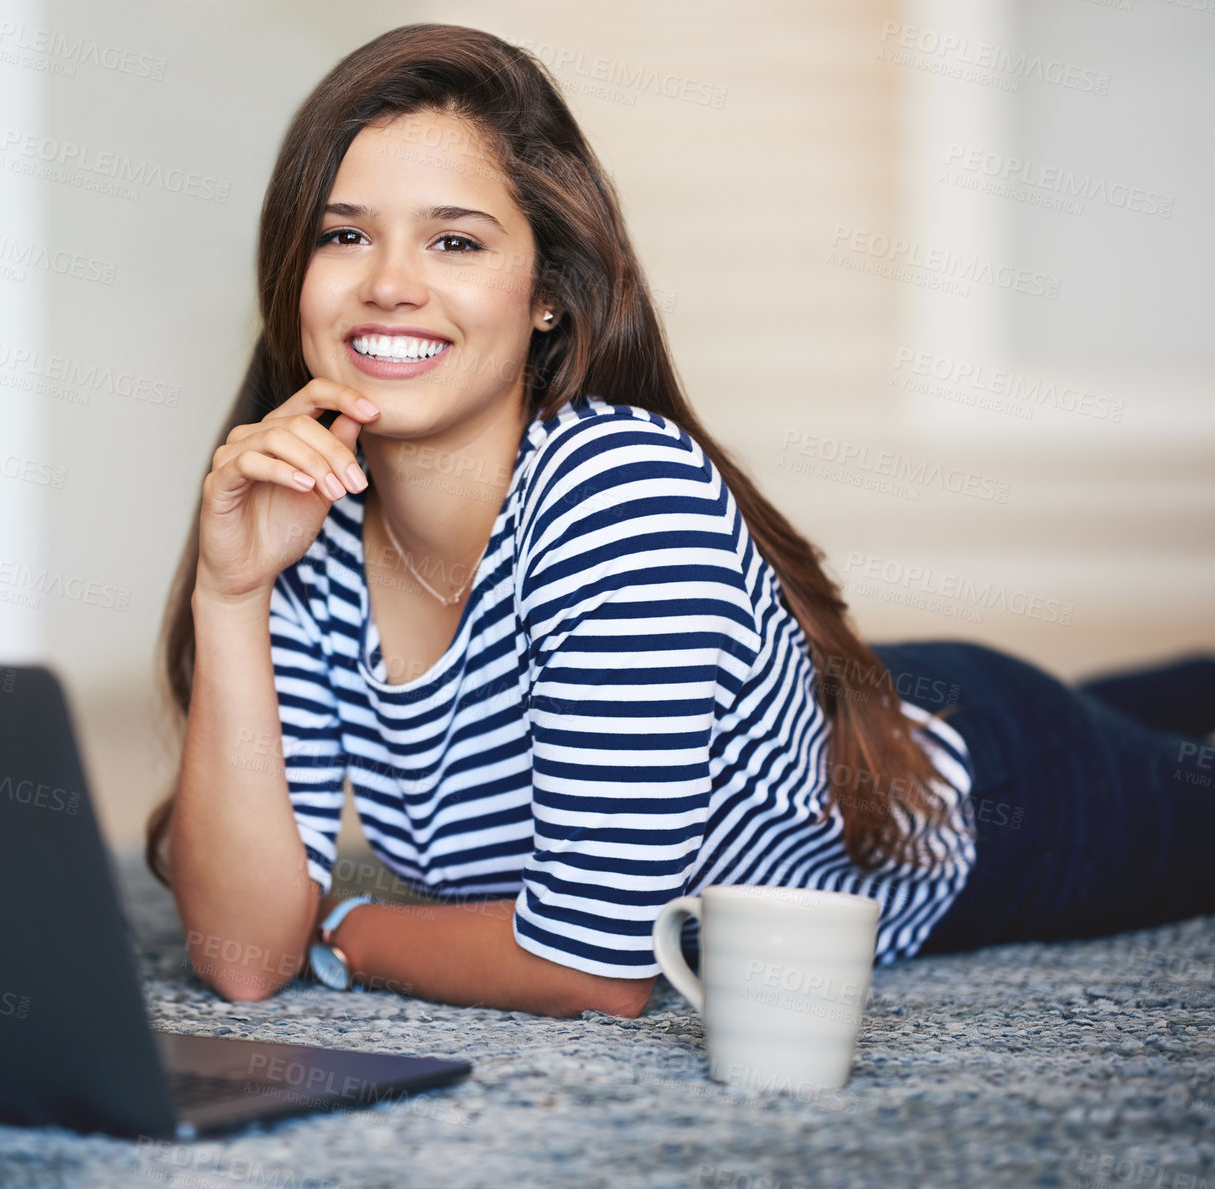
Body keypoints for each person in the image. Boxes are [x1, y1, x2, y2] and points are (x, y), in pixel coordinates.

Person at [143, 23, 1215, 1019]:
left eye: (455, 243)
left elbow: (594, 966)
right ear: (297, 275)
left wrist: (356, 932)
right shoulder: (306, 516)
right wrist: (230, 590)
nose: (389, 284)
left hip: (995, 796)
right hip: (819, 711)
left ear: (547, 292)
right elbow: (241, 956)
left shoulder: (621, 495)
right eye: (345, 235)